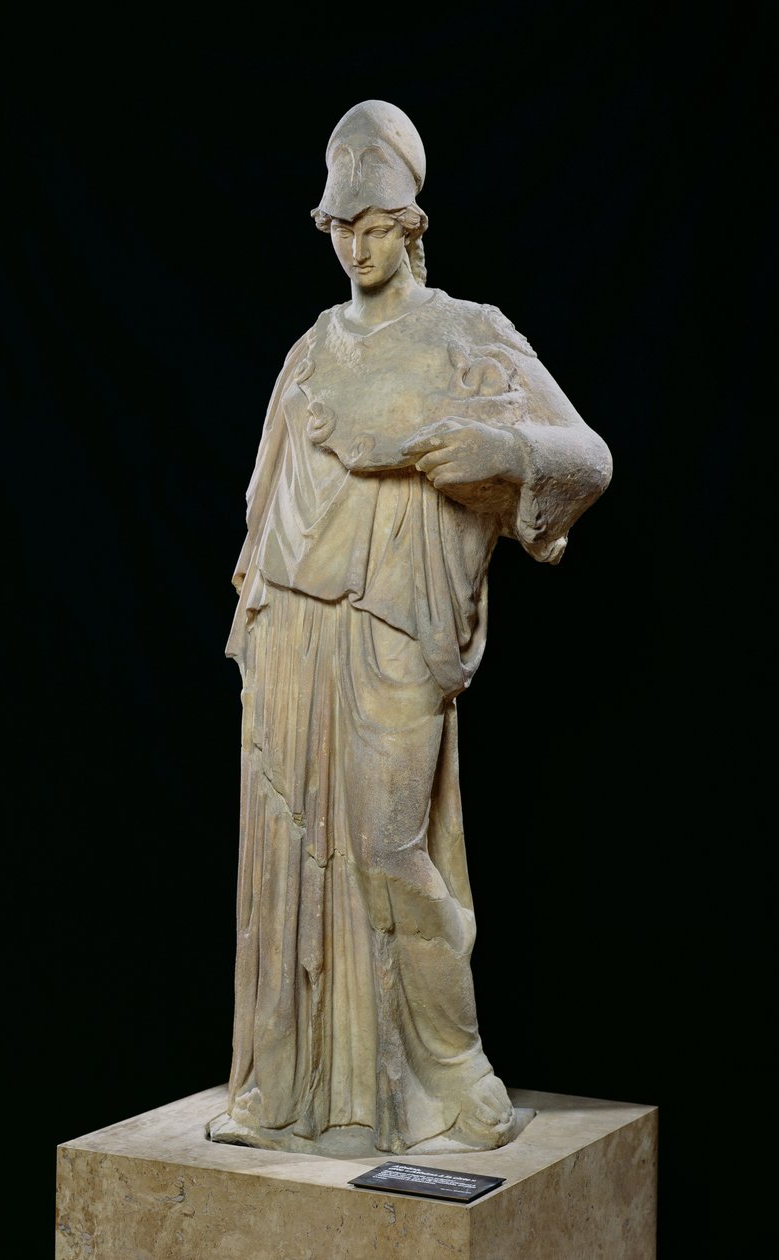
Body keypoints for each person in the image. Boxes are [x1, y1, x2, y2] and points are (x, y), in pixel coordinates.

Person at [207, 101, 612, 1156]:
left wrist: (504, 452)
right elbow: (265, 497)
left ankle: (454, 1066)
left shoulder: (468, 333)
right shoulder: (311, 349)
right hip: (294, 622)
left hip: (395, 622)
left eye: (376, 225)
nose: (357, 246)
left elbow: (587, 457)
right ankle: (286, 1087)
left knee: (390, 847)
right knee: (289, 850)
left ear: (411, 226)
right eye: (342, 227)